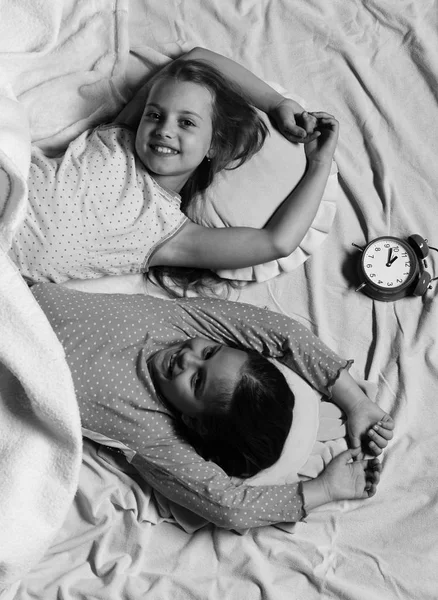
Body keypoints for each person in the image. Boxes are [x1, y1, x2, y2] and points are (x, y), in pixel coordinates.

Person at [31, 283, 393, 530]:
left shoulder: (152, 432)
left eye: (196, 382)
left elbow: (228, 506)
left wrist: (324, 490)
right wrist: (355, 401)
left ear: (196, 422)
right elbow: (283, 334)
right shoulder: (187, 322)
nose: (185, 358)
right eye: (209, 352)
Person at [10, 47, 337, 296]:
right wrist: (276, 103)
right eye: (154, 115)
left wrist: (319, 164)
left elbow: (276, 242)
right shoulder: (117, 136)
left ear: (213, 144)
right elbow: (194, 59)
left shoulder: (166, 233)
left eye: (186, 122)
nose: (164, 129)